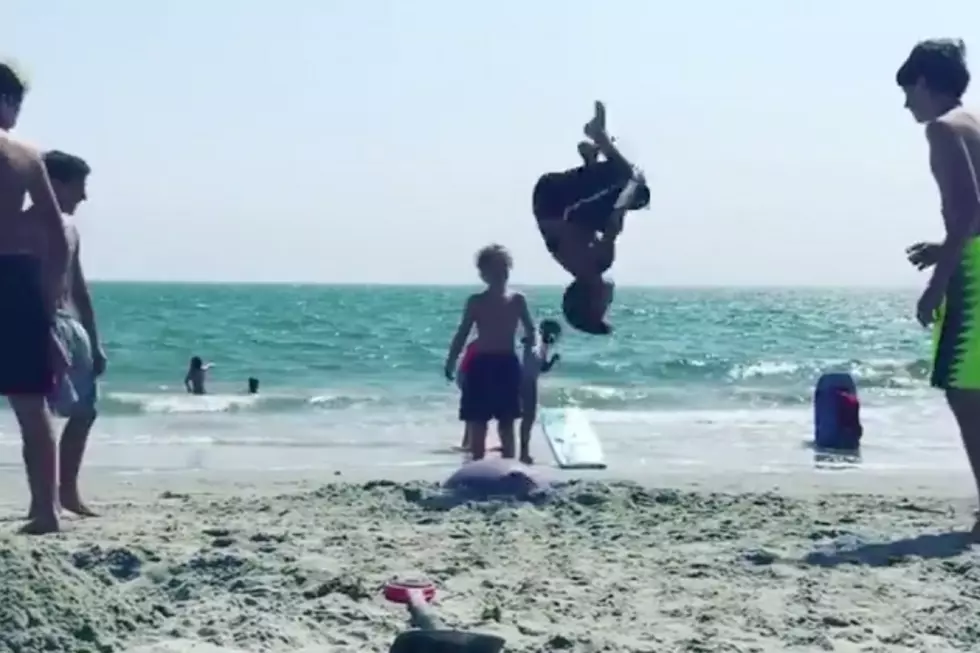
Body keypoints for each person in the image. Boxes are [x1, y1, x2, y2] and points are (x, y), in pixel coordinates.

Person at [899, 38, 980, 538]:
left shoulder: (943, 129)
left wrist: (937, 282)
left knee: (963, 391)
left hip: (972, 283)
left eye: (909, 90)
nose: (907, 103)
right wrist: (942, 244)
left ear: (925, 82)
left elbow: (968, 212)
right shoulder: (974, 125)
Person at [0, 62, 71, 535]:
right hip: (15, 278)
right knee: (31, 403)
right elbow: (57, 235)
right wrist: (52, 311)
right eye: (17, 104)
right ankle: (46, 511)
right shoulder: (25, 156)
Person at [532, 101, 650, 335]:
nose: (611, 301)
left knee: (627, 178)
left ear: (593, 299)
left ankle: (598, 135)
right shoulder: (578, 266)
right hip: (553, 204)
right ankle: (590, 160)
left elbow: (615, 220)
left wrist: (632, 181)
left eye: (605, 305)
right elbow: (592, 221)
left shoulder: (598, 263)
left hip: (555, 202)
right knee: (636, 196)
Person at [31, 151, 104, 520]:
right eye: (80, 187)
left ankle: (67, 491)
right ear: (56, 185)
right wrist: (44, 333)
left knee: (85, 409)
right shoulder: (25, 227)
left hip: (70, 324)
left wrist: (96, 339)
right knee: (38, 415)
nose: (84, 196)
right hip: (38, 322)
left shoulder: (70, 231)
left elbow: (79, 288)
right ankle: (43, 500)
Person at [443, 245, 535, 460]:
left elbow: (531, 330)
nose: (500, 275)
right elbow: (463, 333)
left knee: (507, 420)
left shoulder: (517, 300)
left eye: (504, 269)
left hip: (507, 364)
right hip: (481, 365)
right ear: (483, 274)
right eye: (494, 270)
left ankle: (509, 465)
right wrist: (451, 361)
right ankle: (476, 464)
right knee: (478, 421)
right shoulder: (476, 301)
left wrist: (534, 348)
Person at [518, 319, 562, 464]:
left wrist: (553, 361)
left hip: (531, 381)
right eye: (554, 334)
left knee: (528, 417)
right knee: (527, 417)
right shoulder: (536, 339)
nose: (554, 338)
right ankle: (523, 453)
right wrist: (532, 337)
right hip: (525, 381)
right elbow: (526, 339)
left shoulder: (545, 345)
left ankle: (523, 452)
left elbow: (542, 368)